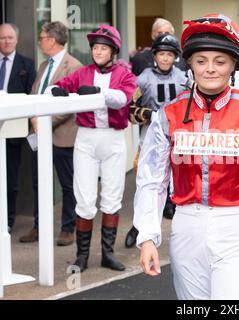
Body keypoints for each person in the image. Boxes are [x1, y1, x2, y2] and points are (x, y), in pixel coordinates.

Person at [134, 13, 239, 300]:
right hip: (186, 228)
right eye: (201, 61)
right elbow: (152, 181)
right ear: (190, 65)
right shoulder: (168, 116)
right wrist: (147, 236)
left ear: (234, 65)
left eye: (220, 61)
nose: (210, 69)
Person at [47, 25, 136, 271]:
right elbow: (55, 88)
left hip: (113, 139)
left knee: (112, 198)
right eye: (95, 47)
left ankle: (107, 254)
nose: (98, 52)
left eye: (103, 48)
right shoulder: (82, 72)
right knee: (85, 199)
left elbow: (122, 99)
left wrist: (98, 92)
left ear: (113, 51)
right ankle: (82, 256)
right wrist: (56, 91)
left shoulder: (125, 74)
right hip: (85, 139)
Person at [19, 21, 83, 246]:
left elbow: (68, 105)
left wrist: (44, 121)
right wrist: (33, 117)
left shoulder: (73, 66)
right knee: (39, 183)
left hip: (62, 136)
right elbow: (35, 94)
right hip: (39, 135)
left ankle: (68, 228)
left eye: (42, 37)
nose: (39, 41)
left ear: (53, 40)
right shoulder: (44, 65)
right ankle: (39, 226)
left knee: (67, 184)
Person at [124, 33, 188, 248]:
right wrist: (150, 115)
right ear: (155, 56)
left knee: (179, 181)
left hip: (178, 139)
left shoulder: (183, 78)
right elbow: (130, 112)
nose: (165, 59)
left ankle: (180, 230)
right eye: (162, 54)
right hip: (149, 139)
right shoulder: (142, 79)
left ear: (175, 57)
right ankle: (138, 226)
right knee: (147, 182)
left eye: (169, 55)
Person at [0, 23, 36, 233]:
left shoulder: (27, 65)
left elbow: (30, 96)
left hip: (13, 131)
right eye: (3, 37)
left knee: (10, 180)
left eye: (10, 38)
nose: (6, 41)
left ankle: (8, 221)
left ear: (16, 40)